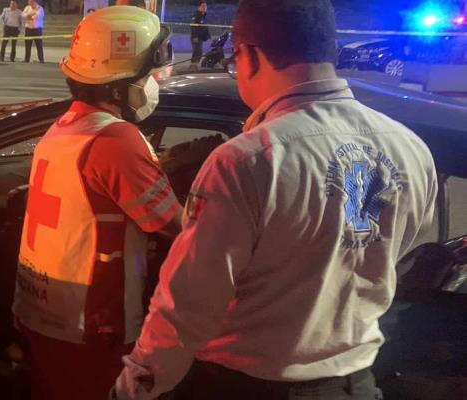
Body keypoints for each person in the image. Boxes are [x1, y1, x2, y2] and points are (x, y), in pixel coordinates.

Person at [113, 1, 439, 399]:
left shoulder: (248, 160)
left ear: (249, 55)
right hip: (356, 385)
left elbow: (188, 305)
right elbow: (392, 249)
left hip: (249, 385)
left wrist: (138, 384)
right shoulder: (410, 149)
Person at [12, 6, 180, 400]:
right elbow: (181, 228)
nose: (156, 82)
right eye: (151, 74)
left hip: (43, 315)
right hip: (92, 329)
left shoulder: (65, 128)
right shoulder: (116, 141)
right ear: (121, 87)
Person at [188, 1, 209, 71]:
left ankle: (194, 65)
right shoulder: (196, 15)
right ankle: (193, 65)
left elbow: (205, 27)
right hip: (196, 37)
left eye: (205, 6)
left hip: (201, 37)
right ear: (199, 7)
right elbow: (193, 27)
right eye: (202, 6)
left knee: (198, 52)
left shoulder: (203, 15)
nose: (204, 8)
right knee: (197, 51)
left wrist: (208, 36)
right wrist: (194, 37)